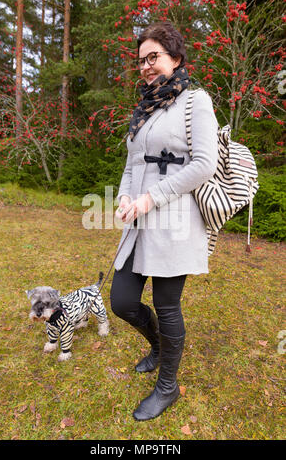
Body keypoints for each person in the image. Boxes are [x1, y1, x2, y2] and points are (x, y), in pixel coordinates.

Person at [110, 21, 218, 421]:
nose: (145, 66)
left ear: (175, 58)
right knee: (122, 301)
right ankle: (157, 347)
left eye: (153, 57)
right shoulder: (144, 108)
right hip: (138, 222)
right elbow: (131, 164)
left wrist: (150, 197)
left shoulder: (196, 101)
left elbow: (205, 164)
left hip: (175, 220)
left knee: (166, 304)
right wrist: (124, 195)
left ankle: (168, 387)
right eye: (141, 61)